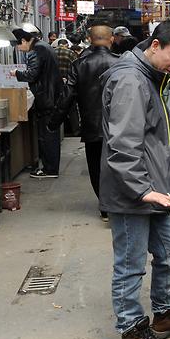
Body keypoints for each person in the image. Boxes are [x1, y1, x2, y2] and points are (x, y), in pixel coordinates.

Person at [100, 19, 170, 339]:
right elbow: (123, 145)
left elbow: (168, 131)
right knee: (130, 264)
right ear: (155, 45)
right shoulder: (130, 79)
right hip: (133, 193)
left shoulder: (156, 77)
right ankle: (131, 331)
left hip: (156, 187)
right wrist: (143, 190)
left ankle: (165, 312)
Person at [48, 21, 119, 220]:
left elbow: (67, 97)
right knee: (117, 164)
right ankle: (117, 204)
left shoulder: (79, 64)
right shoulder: (122, 62)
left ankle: (105, 207)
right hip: (119, 126)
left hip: (92, 126)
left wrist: (54, 123)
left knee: (96, 167)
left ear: (89, 40)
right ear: (111, 39)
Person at [11, 23, 63, 179]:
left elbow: (32, 74)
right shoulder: (44, 46)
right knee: (49, 134)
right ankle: (50, 168)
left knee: (47, 135)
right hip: (51, 96)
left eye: (18, 46)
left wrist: (17, 73)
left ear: (24, 41)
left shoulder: (37, 49)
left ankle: (50, 169)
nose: (19, 49)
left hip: (46, 98)